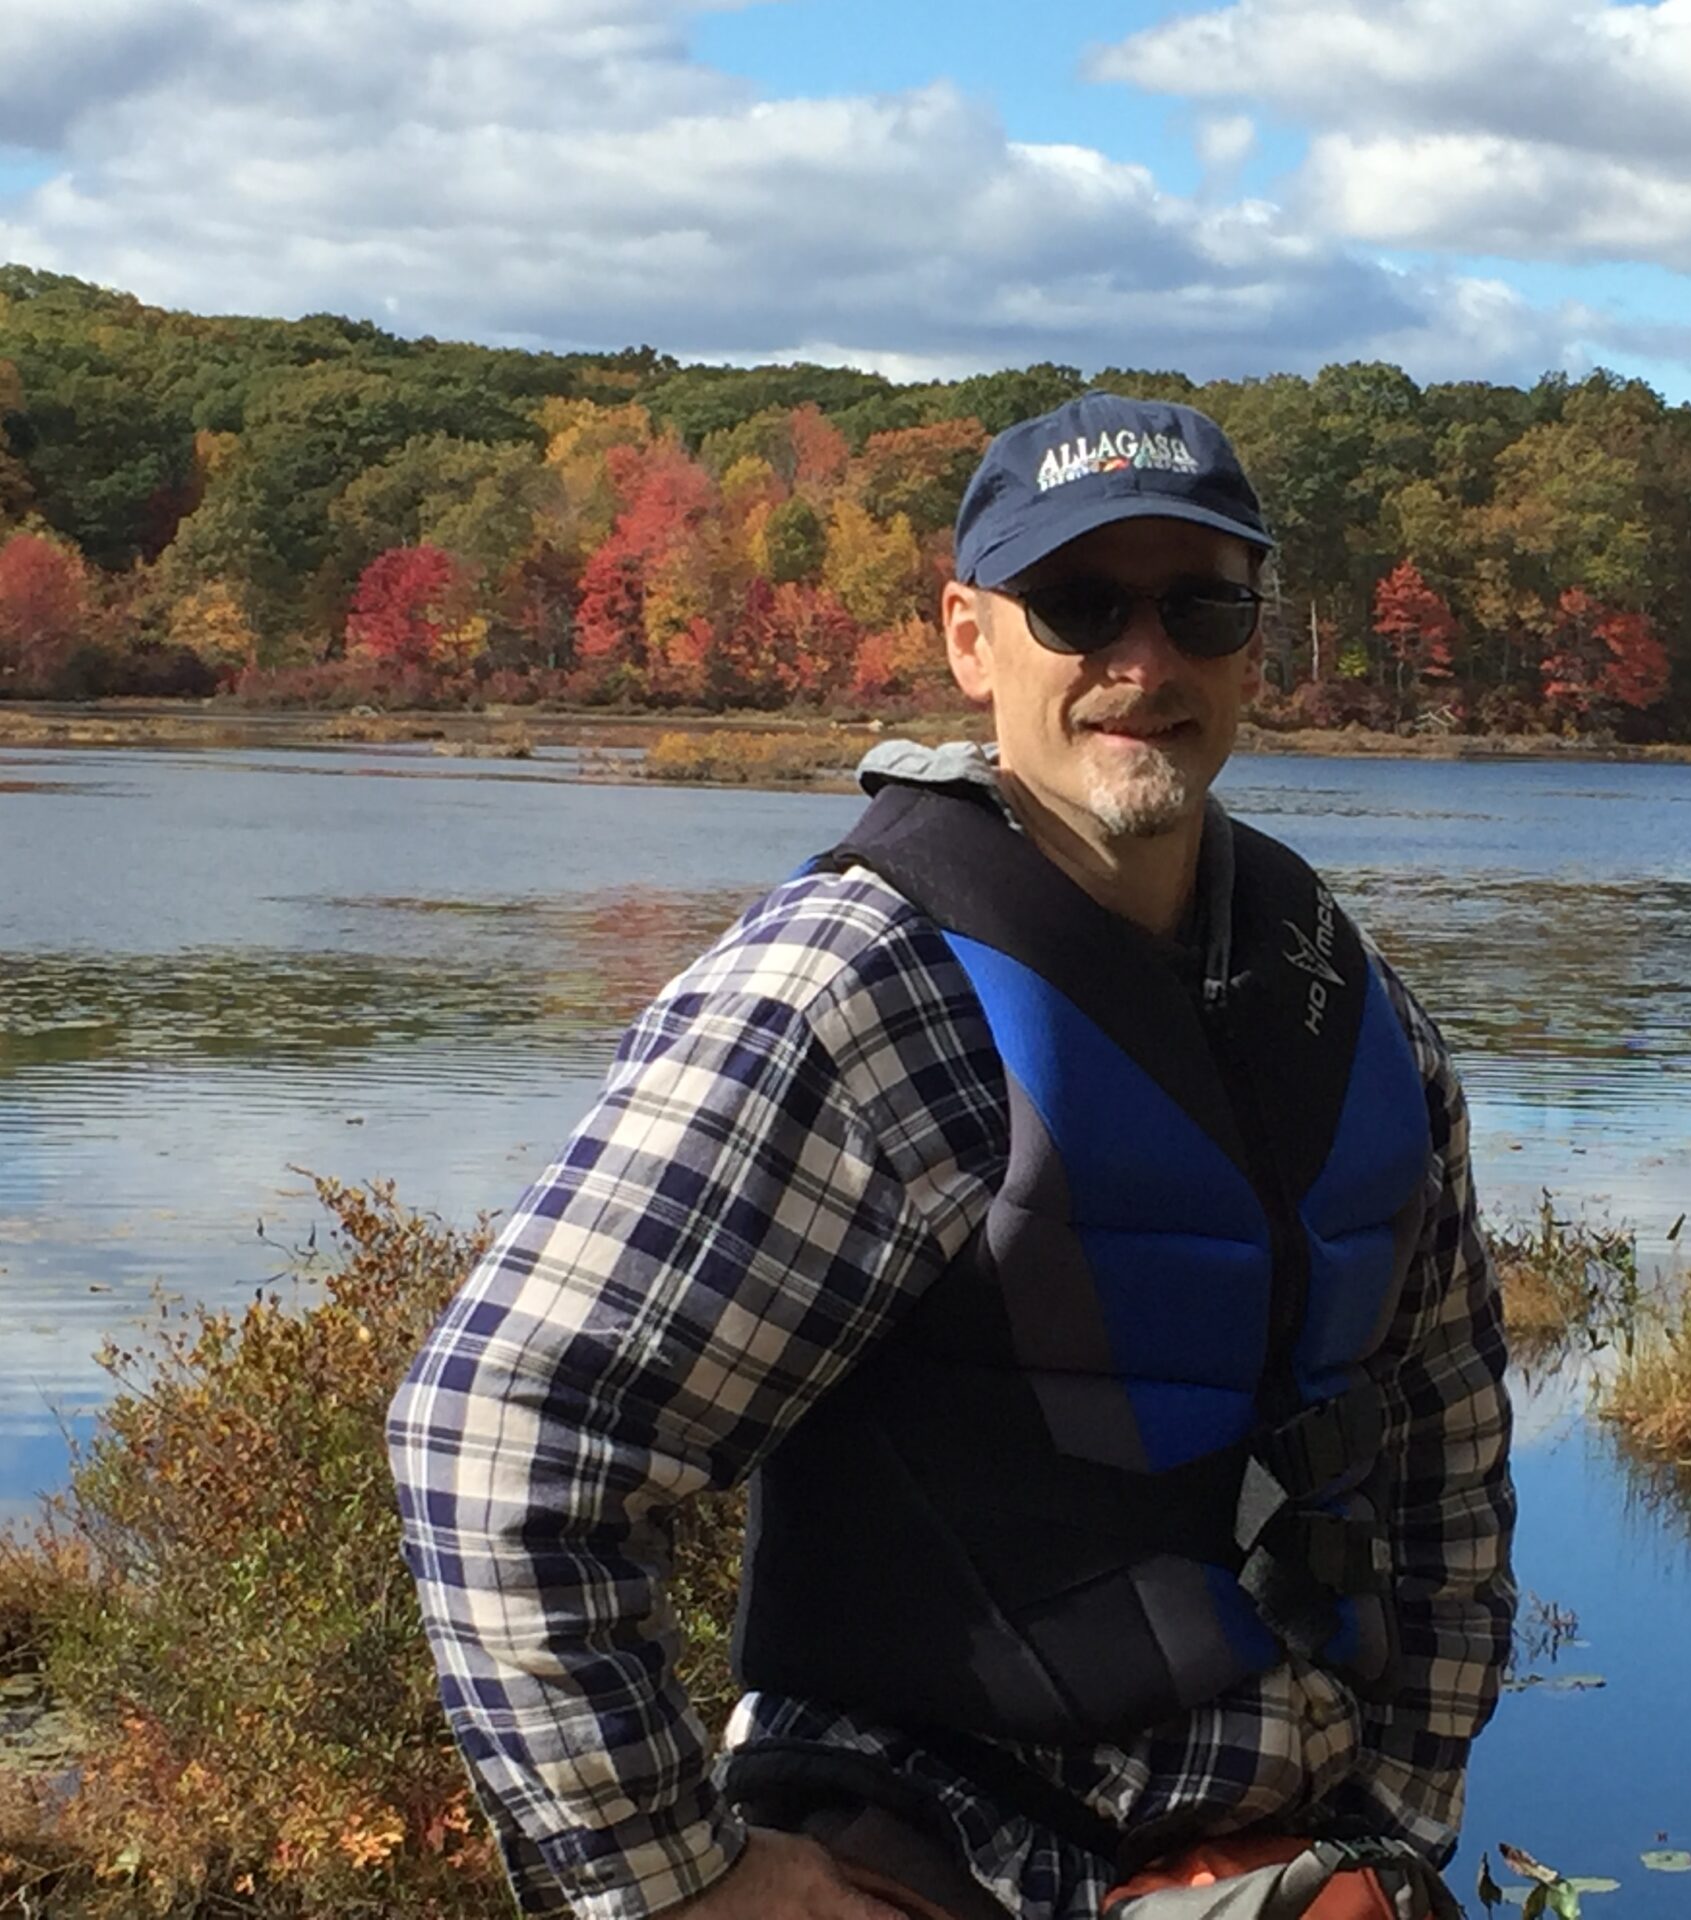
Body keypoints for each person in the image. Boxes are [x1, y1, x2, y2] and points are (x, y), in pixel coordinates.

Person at [388, 393, 1516, 1920]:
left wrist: (1394, 1824)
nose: (1145, 661)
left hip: (1276, 1862)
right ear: (971, 639)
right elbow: (500, 1431)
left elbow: (1446, 1451)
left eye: (1200, 606)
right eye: (1080, 604)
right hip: (930, 1853)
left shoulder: (1346, 1005)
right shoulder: (853, 989)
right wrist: (679, 1885)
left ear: (1255, 641)